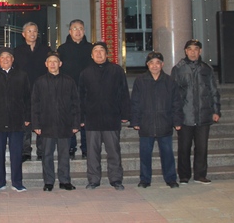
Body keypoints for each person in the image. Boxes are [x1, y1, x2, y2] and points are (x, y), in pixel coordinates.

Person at [79, 41, 131, 190]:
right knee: (92, 153)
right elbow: (81, 97)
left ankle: (116, 179)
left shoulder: (117, 71)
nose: (99, 53)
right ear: (91, 55)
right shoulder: (85, 73)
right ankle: (93, 180)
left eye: (101, 51)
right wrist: (81, 118)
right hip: (92, 119)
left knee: (113, 151)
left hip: (111, 117)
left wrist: (125, 113)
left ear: (107, 54)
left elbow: (124, 93)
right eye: (95, 51)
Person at [171, 39, 221, 184]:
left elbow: (214, 91)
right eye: (190, 49)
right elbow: (173, 94)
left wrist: (216, 110)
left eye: (196, 49)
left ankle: (200, 174)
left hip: (203, 114)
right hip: (185, 115)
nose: (193, 52)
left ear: (200, 51)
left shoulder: (207, 69)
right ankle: (184, 175)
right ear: (185, 51)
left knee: (202, 147)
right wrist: (175, 115)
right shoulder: (178, 69)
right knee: (184, 147)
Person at [131, 52, 184, 189]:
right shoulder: (140, 81)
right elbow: (135, 102)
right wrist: (135, 121)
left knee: (167, 154)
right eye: (151, 63)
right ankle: (145, 179)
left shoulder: (170, 81)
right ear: (147, 65)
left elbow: (176, 103)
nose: (155, 66)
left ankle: (171, 179)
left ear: (162, 64)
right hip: (146, 123)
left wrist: (177, 121)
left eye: (157, 63)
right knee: (145, 154)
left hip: (164, 122)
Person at [0, 47, 31, 192]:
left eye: (8, 57)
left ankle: (17, 182)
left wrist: (27, 117)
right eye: (2, 57)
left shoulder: (22, 75)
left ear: (13, 59)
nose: (5, 60)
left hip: (17, 120)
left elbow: (27, 98)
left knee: (16, 154)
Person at [32, 52, 80, 192]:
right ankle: (48, 181)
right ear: (46, 64)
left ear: (60, 64)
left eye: (55, 61)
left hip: (65, 124)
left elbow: (75, 103)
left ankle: (65, 180)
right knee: (47, 155)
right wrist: (36, 124)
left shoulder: (69, 81)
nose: (52, 64)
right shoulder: (39, 82)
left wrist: (76, 123)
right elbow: (35, 104)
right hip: (46, 124)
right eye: (50, 62)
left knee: (64, 154)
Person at [13, 21, 51, 162]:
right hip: (23, 90)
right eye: (29, 31)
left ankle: (41, 150)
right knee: (25, 121)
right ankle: (25, 151)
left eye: (34, 31)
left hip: (43, 90)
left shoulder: (45, 50)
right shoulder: (17, 51)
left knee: (42, 119)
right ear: (23, 34)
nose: (32, 34)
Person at [57, 19, 93, 159]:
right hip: (68, 89)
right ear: (69, 31)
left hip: (87, 89)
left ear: (84, 31)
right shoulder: (62, 49)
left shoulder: (91, 48)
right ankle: (71, 147)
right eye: (75, 28)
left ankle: (86, 148)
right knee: (69, 118)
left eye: (80, 28)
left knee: (86, 119)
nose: (78, 31)